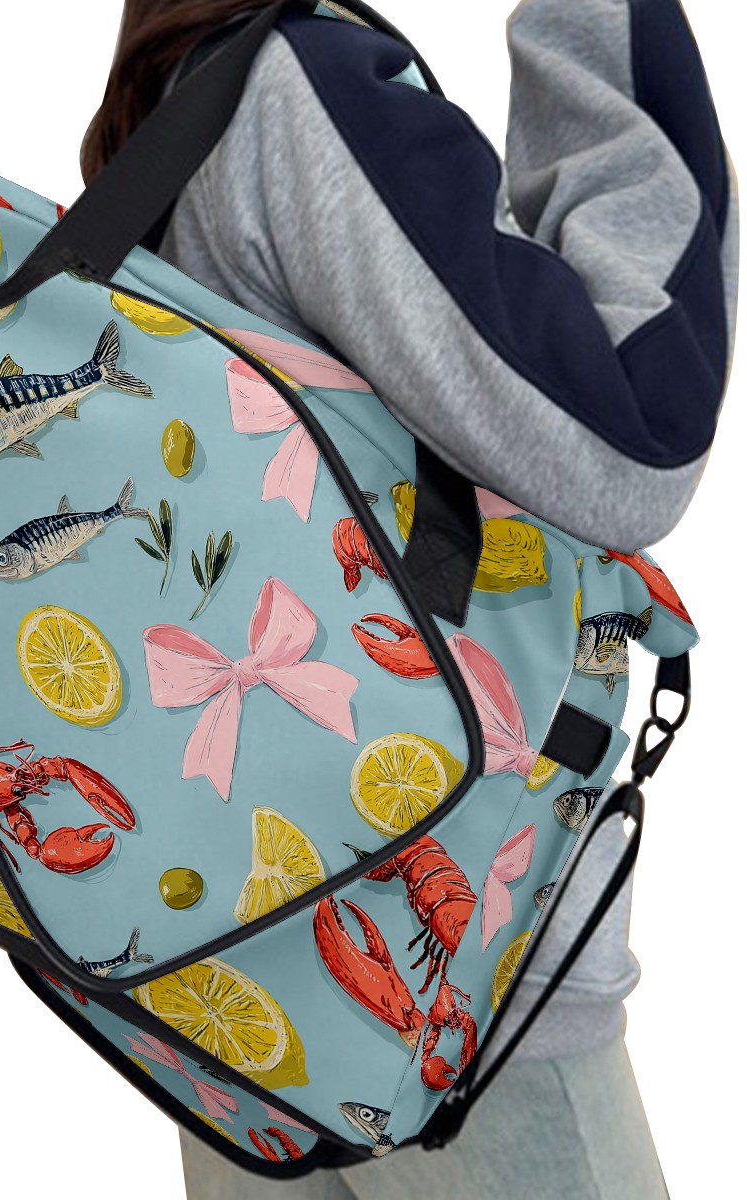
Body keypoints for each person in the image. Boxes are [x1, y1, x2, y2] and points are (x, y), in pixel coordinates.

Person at [80, 2, 737, 1197]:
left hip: (222, 975)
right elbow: (633, 433)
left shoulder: (174, 119)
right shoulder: (303, 89)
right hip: (453, 988)